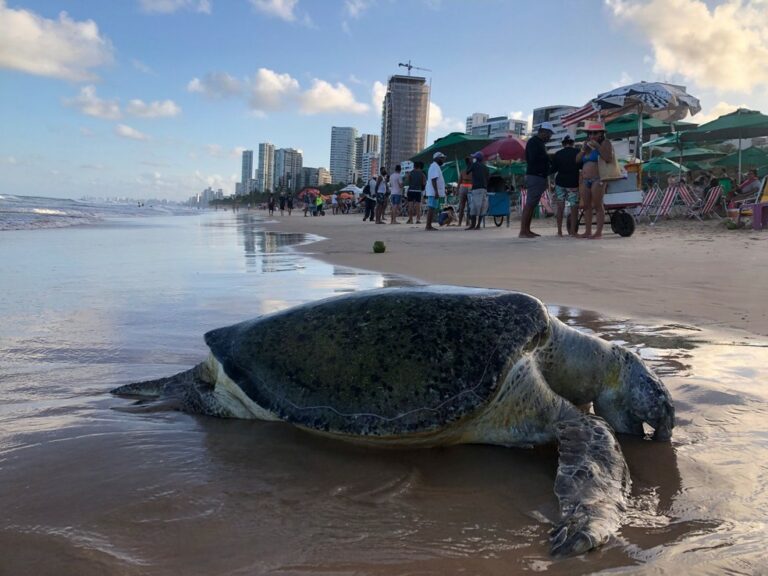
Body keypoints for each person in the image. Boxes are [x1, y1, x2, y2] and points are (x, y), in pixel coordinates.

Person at [575, 122, 614, 239]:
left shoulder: (605, 143)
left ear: (601, 133)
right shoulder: (586, 145)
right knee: (586, 206)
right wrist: (583, 150)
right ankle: (588, 231)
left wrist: (597, 146)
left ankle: (598, 232)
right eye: (590, 133)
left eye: (595, 133)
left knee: (598, 205)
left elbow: (608, 158)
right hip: (585, 179)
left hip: (598, 178)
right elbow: (577, 160)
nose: (592, 135)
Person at [520, 122, 555, 238]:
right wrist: (548, 158)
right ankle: (523, 231)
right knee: (530, 204)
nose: (549, 137)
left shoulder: (538, 143)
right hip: (535, 175)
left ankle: (527, 230)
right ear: (543, 132)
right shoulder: (534, 142)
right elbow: (534, 158)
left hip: (538, 175)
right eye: (549, 134)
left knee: (532, 204)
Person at [550, 135, 580, 236]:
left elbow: (553, 169)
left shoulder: (558, 154)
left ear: (563, 144)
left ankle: (559, 231)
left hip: (560, 183)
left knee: (560, 207)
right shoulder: (577, 152)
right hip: (573, 183)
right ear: (572, 143)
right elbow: (581, 166)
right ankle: (573, 231)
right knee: (574, 207)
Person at [464, 151, 489, 230]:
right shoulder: (486, 167)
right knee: (482, 207)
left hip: (476, 188)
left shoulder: (474, 165)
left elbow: (467, 172)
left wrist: (469, 163)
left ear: (476, 158)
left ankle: (472, 225)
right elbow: (488, 178)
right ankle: (478, 225)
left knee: (473, 207)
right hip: (484, 189)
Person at [424, 151, 447, 231]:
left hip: (433, 191)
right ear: (437, 158)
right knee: (431, 208)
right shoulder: (434, 166)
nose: (443, 160)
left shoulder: (435, 166)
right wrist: (436, 192)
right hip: (433, 192)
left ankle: (429, 225)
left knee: (432, 208)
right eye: (442, 158)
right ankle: (428, 226)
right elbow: (433, 180)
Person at [457, 157, 473, 227]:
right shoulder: (473, 171)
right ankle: (467, 222)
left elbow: (459, 181)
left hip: (463, 187)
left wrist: (457, 190)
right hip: (470, 187)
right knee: (469, 206)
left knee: (462, 206)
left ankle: (459, 223)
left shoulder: (463, 171)